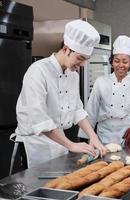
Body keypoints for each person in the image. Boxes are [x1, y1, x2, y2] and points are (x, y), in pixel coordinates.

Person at [10, 19, 107, 169]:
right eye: (80, 58)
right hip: (34, 145)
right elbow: (40, 120)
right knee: (36, 189)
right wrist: (71, 145)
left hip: (58, 142)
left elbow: (77, 110)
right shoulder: (38, 71)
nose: (82, 65)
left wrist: (93, 137)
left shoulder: (73, 75)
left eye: (86, 60)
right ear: (67, 48)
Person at [78, 35, 130, 146]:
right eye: (117, 61)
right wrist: (85, 138)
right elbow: (91, 111)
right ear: (112, 62)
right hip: (103, 136)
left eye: (125, 61)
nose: (120, 65)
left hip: (126, 136)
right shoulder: (101, 82)